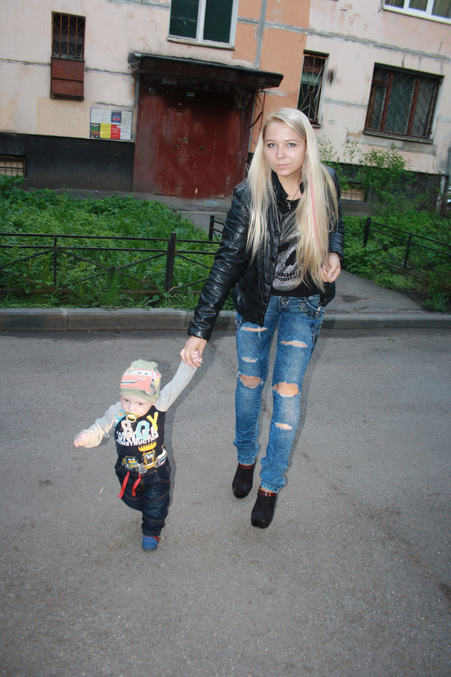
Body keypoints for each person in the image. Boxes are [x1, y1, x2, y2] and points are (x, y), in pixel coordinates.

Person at [181, 108, 344, 529]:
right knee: (250, 383)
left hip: (304, 305)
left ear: (306, 145)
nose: (280, 154)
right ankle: (245, 457)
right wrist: (200, 330)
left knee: (286, 393)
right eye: (271, 144)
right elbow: (228, 261)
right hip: (257, 304)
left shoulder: (326, 182)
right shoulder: (249, 194)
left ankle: (270, 484)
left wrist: (334, 253)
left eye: (291, 144)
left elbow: (336, 226)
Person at [74, 358, 199, 550]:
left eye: (140, 403)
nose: (132, 407)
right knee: (135, 501)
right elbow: (100, 427)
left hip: (156, 472)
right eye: (126, 400)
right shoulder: (117, 412)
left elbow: (177, 384)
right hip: (127, 471)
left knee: (156, 506)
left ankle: (151, 532)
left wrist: (190, 364)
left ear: (153, 399)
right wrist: (87, 436)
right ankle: (146, 508)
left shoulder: (159, 405)